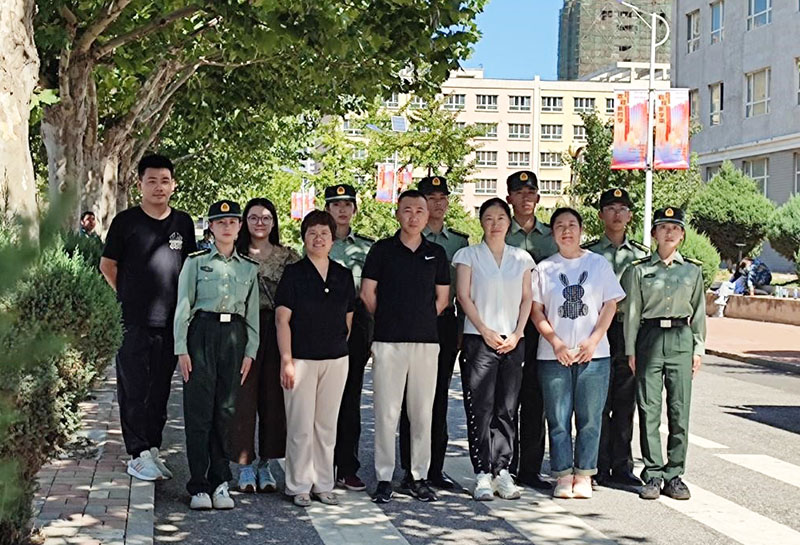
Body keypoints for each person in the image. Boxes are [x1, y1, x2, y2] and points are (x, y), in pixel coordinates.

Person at [100, 154, 197, 482]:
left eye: (164, 181)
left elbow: (189, 269)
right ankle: (138, 453)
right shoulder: (126, 222)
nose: (159, 187)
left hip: (170, 323)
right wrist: (127, 294)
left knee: (159, 390)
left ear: (174, 185)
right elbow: (107, 265)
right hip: (132, 321)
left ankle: (153, 448)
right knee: (134, 387)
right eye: (151, 181)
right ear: (139, 184)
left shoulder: (183, 223)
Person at [361, 189, 450, 504]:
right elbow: (368, 293)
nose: (413, 216)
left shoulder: (436, 253)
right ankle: (384, 477)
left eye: (419, 211)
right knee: (386, 412)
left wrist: (418, 319)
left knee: (422, 412)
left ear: (427, 216)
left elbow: (442, 299)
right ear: (398, 213)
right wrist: (389, 318)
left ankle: (418, 476)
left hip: (426, 343)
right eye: (407, 210)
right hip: (388, 342)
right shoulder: (382, 250)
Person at [531, 207, 625, 499]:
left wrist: (594, 340)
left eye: (572, 225)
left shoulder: (598, 264)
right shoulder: (544, 268)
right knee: (558, 418)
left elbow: (610, 304)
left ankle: (584, 474)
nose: (567, 231)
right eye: (560, 226)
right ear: (553, 233)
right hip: (553, 355)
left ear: (581, 230)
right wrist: (555, 342)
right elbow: (536, 311)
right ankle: (562, 474)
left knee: (590, 418)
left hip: (594, 355)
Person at [174, 199, 259, 510]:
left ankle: (220, 481)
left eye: (232, 222)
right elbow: (183, 306)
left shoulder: (248, 267)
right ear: (210, 226)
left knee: (226, 411)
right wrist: (181, 348)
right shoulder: (196, 261)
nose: (227, 226)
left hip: (233, 337)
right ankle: (199, 484)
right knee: (199, 412)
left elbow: (252, 314)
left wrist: (250, 351)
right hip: (202, 333)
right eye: (220, 222)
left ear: (239, 227)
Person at [453, 198, 534, 501]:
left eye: (501, 218)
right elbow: (463, 296)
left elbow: (527, 298)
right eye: (489, 218)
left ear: (509, 223)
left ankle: (503, 471)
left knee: (507, 408)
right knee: (480, 408)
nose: (495, 224)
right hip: (479, 339)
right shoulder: (468, 255)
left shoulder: (521, 258)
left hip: (512, 340)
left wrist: (518, 333)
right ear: (481, 222)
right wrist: (484, 330)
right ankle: (482, 472)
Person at [625, 207, 706, 501]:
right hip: (649, 337)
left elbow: (699, 313)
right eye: (663, 227)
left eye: (675, 228)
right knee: (649, 409)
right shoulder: (640, 269)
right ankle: (653, 473)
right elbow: (633, 313)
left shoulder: (692, 270)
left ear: (682, 235)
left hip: (681, 338)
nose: (669, 232)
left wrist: (698, 348)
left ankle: (674, 475)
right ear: (654, 234)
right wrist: (631, 350)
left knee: (679, 410)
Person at [276, 210, 356, 507]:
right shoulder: (294, 274)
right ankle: (298, 485)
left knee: (326, 426)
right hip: (301, 359)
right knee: (300, 425)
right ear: (304, 238)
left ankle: (323, 483)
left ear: (332, 239)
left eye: (324, 233)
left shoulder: (343, 275)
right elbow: (282, 320)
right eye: (312, 233)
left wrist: (335, 344)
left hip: (335, 359)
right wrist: (287, 360)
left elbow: (348, 319)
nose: (318, 238)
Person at [398, 176, 469, 491]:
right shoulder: (409, 238)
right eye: (431, 198)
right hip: (411, 324)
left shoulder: (459, 243)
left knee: (439, 397)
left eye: (443, 197)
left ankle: (435, 468)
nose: (438, 203)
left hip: (444, 323)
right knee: (410, 399)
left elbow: (465, 291)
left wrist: (463, 328)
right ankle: (409, 468)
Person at [229, 198, 300, 493]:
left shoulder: (289, 257)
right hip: (242, 330)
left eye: (266, 217)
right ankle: (244, 464)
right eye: (254, 217)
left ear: (274, 222)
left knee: (274, 399)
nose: (260, 223)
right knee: (243, 398)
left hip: (277, 329)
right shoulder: (234, 254)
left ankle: (266, 463)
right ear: (245, 222)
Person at [582, 188, 649, 487]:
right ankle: (595, 464)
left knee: (625, 400)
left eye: (623, 208)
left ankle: (622, 465)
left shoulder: (641, 255)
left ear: (630, 215)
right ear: (600, 215)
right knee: (596, 400)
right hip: (597, 329)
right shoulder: (589, 253)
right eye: (610, 208)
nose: (617, 214)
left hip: (627, 331)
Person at [504, 170, 557, 490]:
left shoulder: (551, 236)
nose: (526, 197)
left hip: (542, 325)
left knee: (536, 398)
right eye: (519, 192)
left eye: (531, 192)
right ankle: (505, 465)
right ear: (509, 198)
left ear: (538, 197)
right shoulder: (499, 231)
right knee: (508, 397)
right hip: (508, 324)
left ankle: (531, 469)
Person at [325, 184, 374, 492]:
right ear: (327, 209)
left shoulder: (367, 248)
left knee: (350, 398)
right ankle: (320, 465)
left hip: (356, 327)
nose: (342, 210)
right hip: (322, 326)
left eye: (347, 204)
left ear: (355, 209)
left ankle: (347, 466)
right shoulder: (317, 240)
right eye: (335, 204)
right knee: (321, 399)